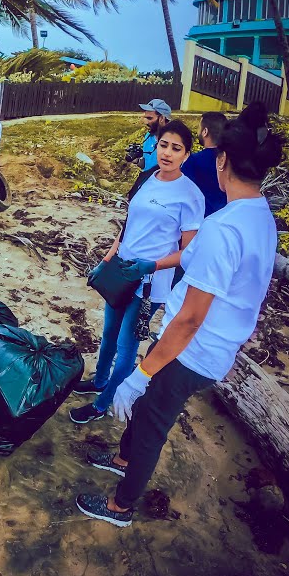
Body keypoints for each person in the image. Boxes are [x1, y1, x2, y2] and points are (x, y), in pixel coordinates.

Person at [74, 102, 282, 527]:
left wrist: (140, 373)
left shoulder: (223, 228)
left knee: (151, 418)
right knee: (146, 406)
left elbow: (190, 317)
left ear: (219, 159)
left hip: (195, 349)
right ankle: (120, 458)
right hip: (210, 342)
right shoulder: (258, 215)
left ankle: (120, 507)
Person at [69, 119, 205, 425]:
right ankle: (100, 380)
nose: (167, 153)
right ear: (156, 146)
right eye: (163, 145)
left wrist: (152, 266)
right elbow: (128, 227)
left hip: (148, 284)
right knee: (107, 334)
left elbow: (189, 252)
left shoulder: (191, 195)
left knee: (126, 346)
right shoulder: (146, 178)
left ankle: (102, 404)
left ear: (187, 154)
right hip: (120, 272)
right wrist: (105, 261)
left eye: (176, 148)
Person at [181, 111, 229, 217]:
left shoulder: (193, 161)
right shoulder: (232, 159)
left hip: (200, 222)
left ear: (205, 131)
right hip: (228, 218)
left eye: (199, 127)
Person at [137, 98, 173, 170]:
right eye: (146, 118)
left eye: (149, 118)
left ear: (162, 118)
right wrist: (137, 161)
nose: (146, 122)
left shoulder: (174, 141)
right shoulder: (148, 136)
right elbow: (146, 165)